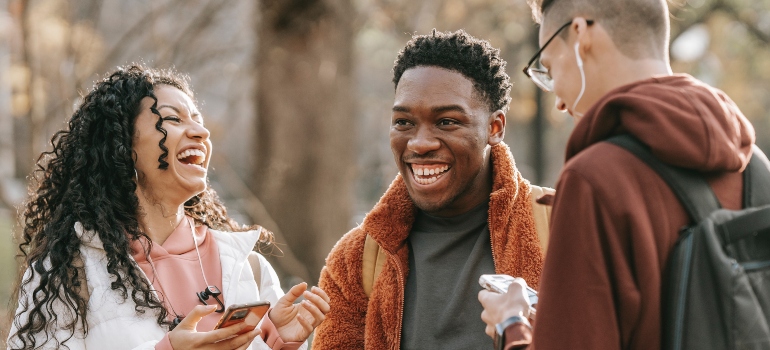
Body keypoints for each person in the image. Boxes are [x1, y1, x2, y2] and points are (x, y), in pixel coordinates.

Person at [478, 0, 764, 349]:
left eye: (550, 69)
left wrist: (512, 324)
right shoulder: (755, 165)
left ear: (581, 34)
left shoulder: (595, 180)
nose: (559, 103)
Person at [7, 65, 330, 350]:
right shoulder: (70, 272)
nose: (201, 132)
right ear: (122, 148)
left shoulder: (249, 267)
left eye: (199, 121)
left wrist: (276, 341)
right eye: (173, 119)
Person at [312, 30, 553, 350]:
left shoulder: (563, 224)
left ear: (494, 128)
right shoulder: (357, 260)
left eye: (447, 122)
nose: (420, 143)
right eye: (404, 122)